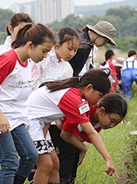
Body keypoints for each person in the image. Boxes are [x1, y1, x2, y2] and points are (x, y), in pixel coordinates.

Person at [0, 23, 56, 184]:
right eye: (44, 51)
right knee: (10, 162)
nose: (45, 56)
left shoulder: (29, 62)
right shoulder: (8, 59)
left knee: (30, 156)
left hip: (14, 116)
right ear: (31, 45)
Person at [27, 69, 118, 184]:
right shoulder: (73, 98)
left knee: (55, 163)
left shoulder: (75, 93)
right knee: (46, 165)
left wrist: (44, 136)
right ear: (89, 88)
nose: (98, 102)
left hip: (40, 124)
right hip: (30, 122)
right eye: (99, 96)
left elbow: (47, 114)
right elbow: (91, 132)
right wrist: (108, 159)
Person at [28, 26, 80, 183]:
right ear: (58, 45)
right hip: (34, 115)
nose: (71, 53)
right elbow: (33, 85)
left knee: (53, 163)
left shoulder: (68, 69)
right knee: (40, 163)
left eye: (75, 50)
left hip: (50, 118)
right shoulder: (42, 58)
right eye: (69, 48)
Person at [60, 93, 127, 150]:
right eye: (112, 121)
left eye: (116, 123)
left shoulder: (99, 122)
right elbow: (65, 132)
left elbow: (81, 138)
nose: (112, 126)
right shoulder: (84, 108)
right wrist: (84, 148)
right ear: (102, 111)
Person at [0, 12, 33, 79]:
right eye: (20, 30)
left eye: (27, 31)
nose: (24, 34)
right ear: (10, 29)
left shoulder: (32, 55)